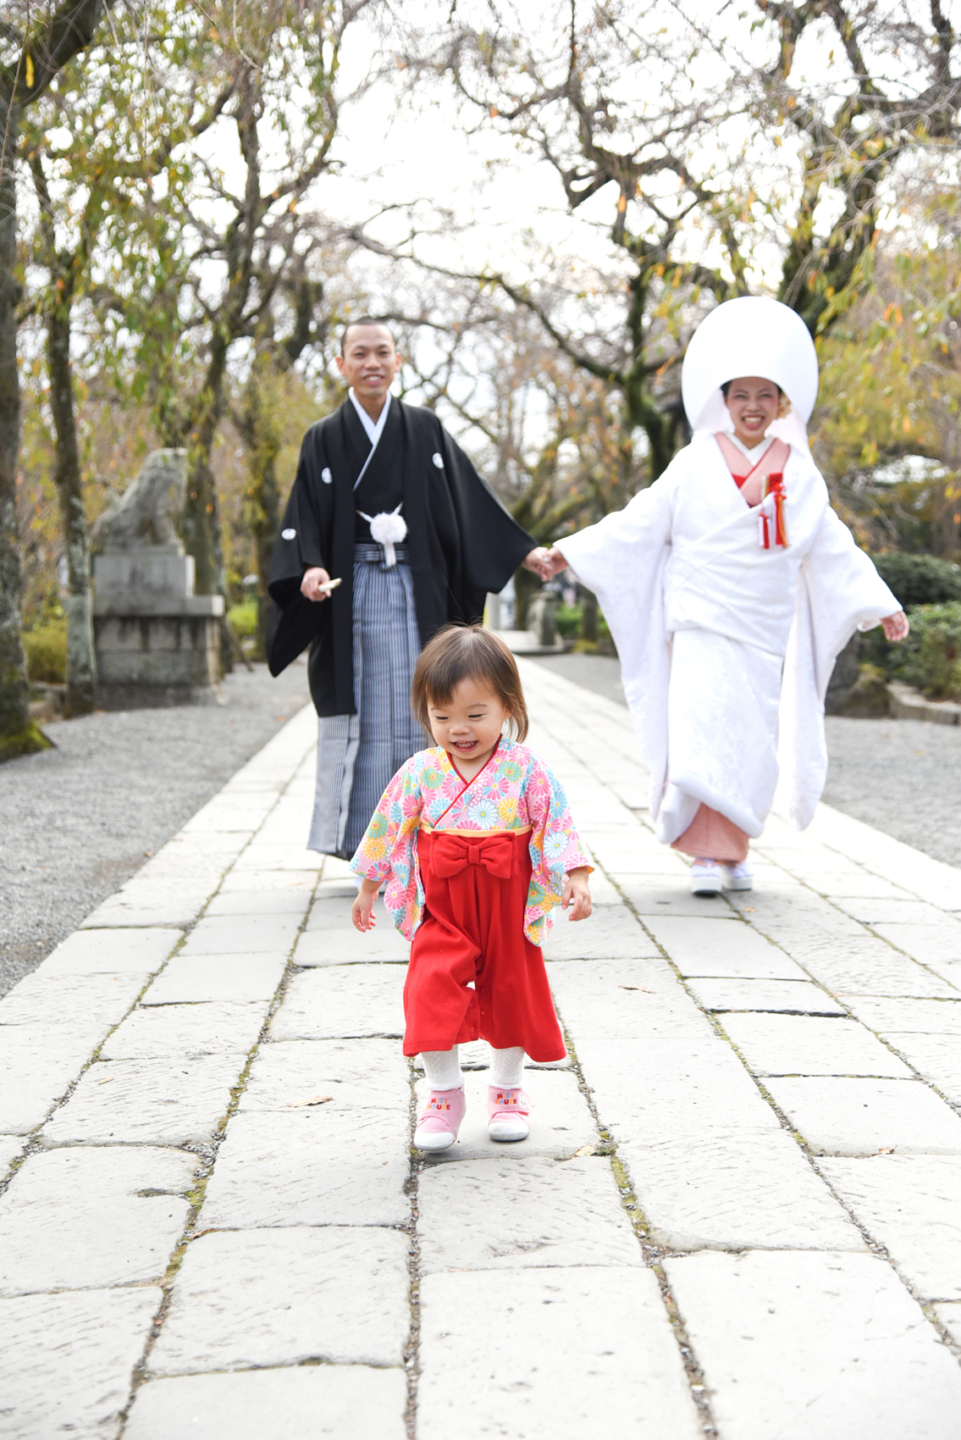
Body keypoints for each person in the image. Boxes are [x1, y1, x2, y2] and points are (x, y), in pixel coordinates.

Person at [541, 296, 909, 896]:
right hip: (701, 618)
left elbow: (831, 545)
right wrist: (572, 551)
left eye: (766, 395)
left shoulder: (798, 471)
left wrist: (880, 601)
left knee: (749, 739)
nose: (753, 408)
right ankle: (703, 855)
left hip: (761, 625)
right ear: (723, 401)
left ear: (782, 403)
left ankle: (734, 849)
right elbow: (641, 520)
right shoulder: (693, 462)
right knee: (700, 729)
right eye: (741, 395)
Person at [266, 318, 551, 858]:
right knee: (363, 710)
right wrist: (308, 566)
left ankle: (432, 838)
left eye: (382, 353)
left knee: (428, 704)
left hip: (419, 593)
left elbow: (471, 499)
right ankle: (360, 844)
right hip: (350, 594)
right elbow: (301, 515)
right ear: (341, 364)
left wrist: (524, 551)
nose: (371, 363)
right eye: (360, 353)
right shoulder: (323, 437)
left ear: (399, 362)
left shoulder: (424, 429)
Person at [349, 625, 592, 1151]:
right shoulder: (420, 772)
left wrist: (574, 876)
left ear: (507, 706)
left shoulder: (527, 771)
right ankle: (443, 1094)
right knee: (429, 989)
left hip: (507, 903)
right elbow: (388, 825)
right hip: (446, 903)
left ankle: (507, 1089)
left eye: (475, 715)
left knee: (512, 992)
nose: (458, 729)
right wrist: (370, 884)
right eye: (442, 717)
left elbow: (557, 826)